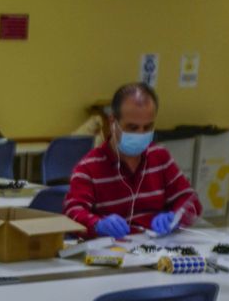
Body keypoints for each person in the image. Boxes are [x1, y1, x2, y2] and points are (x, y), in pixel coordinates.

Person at [63, 82, 202, 239]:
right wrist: (97, 224)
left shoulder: (160, 157)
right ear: (112, 122)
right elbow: (72, 212)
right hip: (113, 253)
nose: (141, 134)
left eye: (147, 127)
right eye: (132, 128)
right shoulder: (88, 169)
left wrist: (177, 217)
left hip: (157, 250)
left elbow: (192, 202)